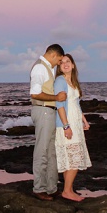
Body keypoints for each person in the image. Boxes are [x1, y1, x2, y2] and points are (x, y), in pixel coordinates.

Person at [29, 44, 67, 201]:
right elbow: (35, 93)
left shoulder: (49, 69)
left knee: (52, 152)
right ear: (53, 55)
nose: (59, 63)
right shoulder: (39, 68)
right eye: (59, 59)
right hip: (43, 110)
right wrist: (56, 98)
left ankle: (51, 188)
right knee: (42, 151)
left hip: (50, 113)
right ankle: (39, 188)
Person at [54, 53, 92, 202]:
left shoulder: (73, 82)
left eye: (68, 61)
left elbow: (76, 104)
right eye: (62, 62)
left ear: (73, 65)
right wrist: (66, 126)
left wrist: (85, 121)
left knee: (71, 159)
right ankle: (67, 191)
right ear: (59, 67)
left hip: (75, 124)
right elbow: (60, 106)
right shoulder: (60, 81)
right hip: (66, 124)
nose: (65, 64)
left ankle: (68, 190)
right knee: (74, 158)